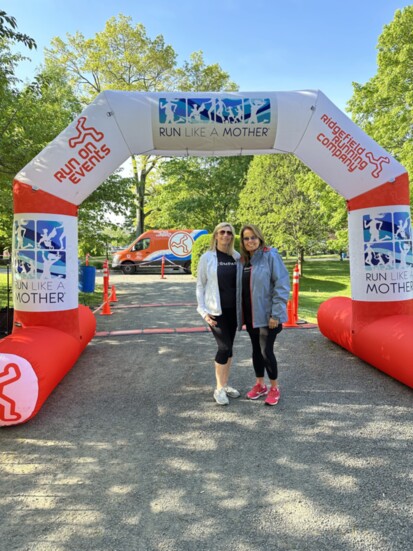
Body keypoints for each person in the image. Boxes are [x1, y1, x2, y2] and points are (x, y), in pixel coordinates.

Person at [240, 224, 290, 406]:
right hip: (251, 316)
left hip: (268, 316)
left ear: (260, 238)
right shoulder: (244, 261)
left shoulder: (270, 255)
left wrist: (275, 314)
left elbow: (282, 285)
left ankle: (274, 387)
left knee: (266, 351)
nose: (250, 241)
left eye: (253, 237)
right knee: (256, 350)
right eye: (246, 238)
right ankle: (260, 385)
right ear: (242, 242)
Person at [196, 222, 241, 405]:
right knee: (223, 348)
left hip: (234, 311)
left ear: (232, 236)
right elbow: (200, 285)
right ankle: (219, 389)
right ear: (215, 235)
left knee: (229, 348)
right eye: (222, 232)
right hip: (216, 311)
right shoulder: (207, 258)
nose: (225, 235)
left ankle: (225, 384)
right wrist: (203, 311)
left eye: (229, 233)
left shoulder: (237, 257)